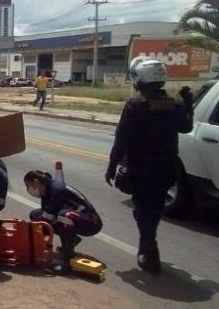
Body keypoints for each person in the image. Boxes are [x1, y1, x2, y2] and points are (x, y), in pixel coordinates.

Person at [105, 56, 193, 275]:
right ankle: (148, 242)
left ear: (140, 81)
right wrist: (188, 104)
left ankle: (148, 247)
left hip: (140, 168)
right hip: (166, 168)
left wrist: (111, 166)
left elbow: (121, 139)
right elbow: (186, 127)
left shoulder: (135, 105)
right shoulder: (174, 103)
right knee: (152, 208)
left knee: (143, 208)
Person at [24, 170, 103, 274]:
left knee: (65, 216)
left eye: (28, 185)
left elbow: (47, 220)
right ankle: (72, 240)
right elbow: (45, 217)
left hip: (91, 222)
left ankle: (67, 262)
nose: (28, 189)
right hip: (76, 218)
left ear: (36, 182)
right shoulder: (46, 191)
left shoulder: (57, 190)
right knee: (35, 215)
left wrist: (30, 239)